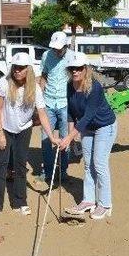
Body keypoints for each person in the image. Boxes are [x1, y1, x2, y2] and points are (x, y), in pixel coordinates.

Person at [0, 52, 59, 219]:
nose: (17, 71)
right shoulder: (4, 84)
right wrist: (0, 133)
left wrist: (52, 136)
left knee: (20, 166)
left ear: (28, 70)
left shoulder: (35, 88)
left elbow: (42, 114)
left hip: (24, 130)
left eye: (21, 68)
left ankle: (20, 202)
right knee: (1, 165)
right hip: (5, 128)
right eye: (15, 68)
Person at [59, 52, 117, 220]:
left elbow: (88, 115)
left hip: (104, 126)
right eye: (72, 69)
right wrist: (70, 135)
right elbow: (71, 112)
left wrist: (69, 137)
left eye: (78, 68)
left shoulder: (95, 87)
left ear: (85, 69)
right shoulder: (70, 85)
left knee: (99, 164)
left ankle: (105, 204)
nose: (75, 71)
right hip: (86, 129)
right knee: (87, 165)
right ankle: (89, 200)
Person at [39, 31, 74, 187]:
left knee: (65, 138)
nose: (56, 51)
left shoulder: (72, 57)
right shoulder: (47, 55)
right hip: (48, 102)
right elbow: (44, 76)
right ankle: (47, 170)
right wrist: (39, 99)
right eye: (54, 48)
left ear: (66, 46)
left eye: (59, 48)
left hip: (65, 104)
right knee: (46, 138)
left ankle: (63, 170)